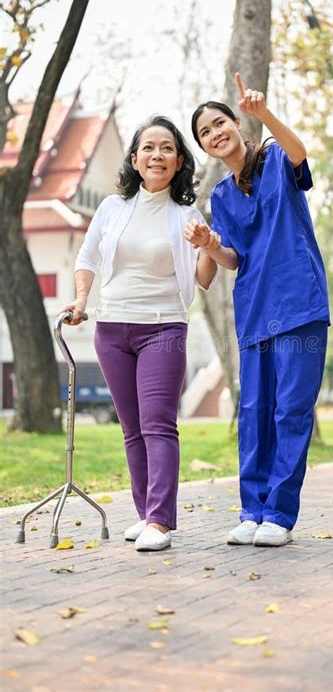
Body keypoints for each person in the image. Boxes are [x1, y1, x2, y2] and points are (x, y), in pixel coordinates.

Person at [186, 73, 330, 547]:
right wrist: (210, 242)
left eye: (219, 122)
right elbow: (229, 262)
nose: (214, 133)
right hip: (254, 312)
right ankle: (251, 510)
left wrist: (265, 113)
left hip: (299, 304)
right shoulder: (221, 197)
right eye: (205, 132)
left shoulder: (273, 157)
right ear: (205, 146)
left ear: (236, 123)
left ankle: (280, 515)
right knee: (254, 411)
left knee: (291, 409)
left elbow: (300, 153)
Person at [62, 115, 218, 552]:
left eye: (167, 147)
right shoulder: (112, 208)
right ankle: (145, 513)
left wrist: (206, 245)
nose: (157, 154)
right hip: (111, 328)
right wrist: (80, 300)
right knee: (131, 428)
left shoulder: (186, 216)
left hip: (163, 327)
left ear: (179, 161)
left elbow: (204, 279)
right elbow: (87, 257)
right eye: (149, 147)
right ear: (134, 159)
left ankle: (161, 521)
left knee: (158, 425)